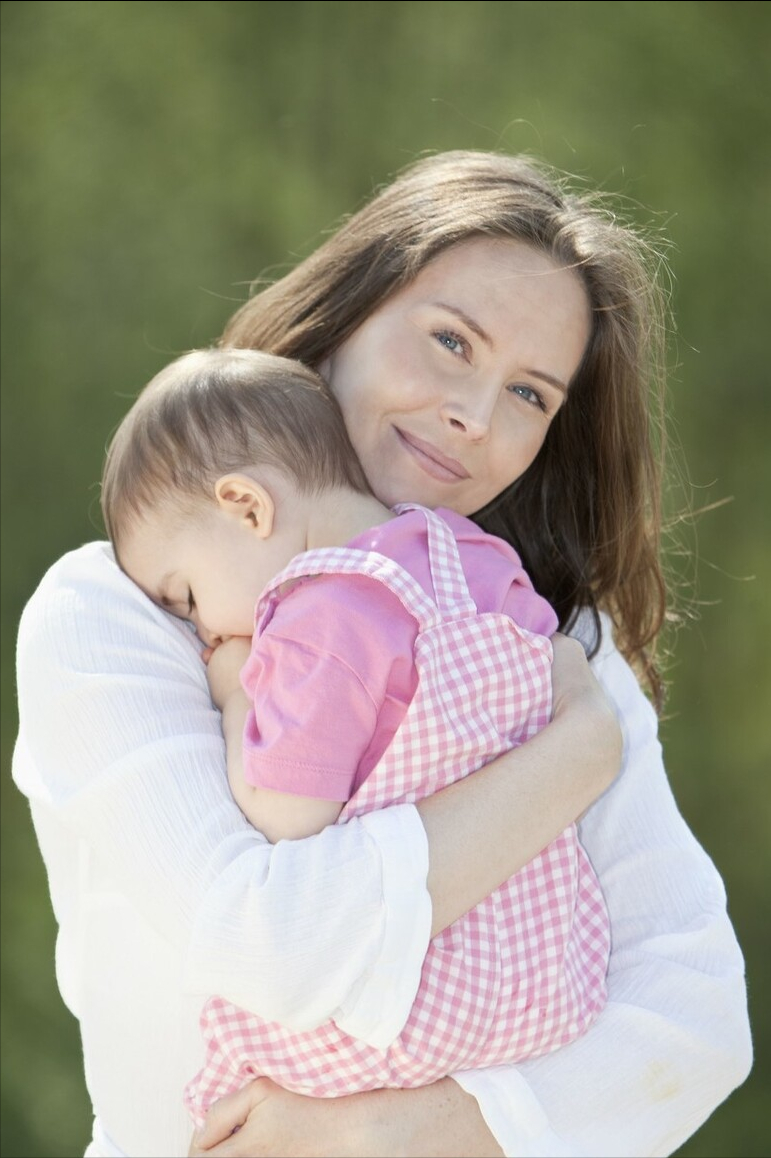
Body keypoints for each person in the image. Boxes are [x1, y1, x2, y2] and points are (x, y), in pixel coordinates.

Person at [12, 150, 751, 1158]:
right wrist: (574, 758)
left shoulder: (544, 638)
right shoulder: (121, 617)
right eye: (452, 340)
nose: (476, 416)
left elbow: (701, 1016)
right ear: (346, 311)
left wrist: (386, 1133)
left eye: (531, 394)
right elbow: (268, 944)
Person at [101, 346, 611, 1122]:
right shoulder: (468, 554)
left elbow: (288, 813)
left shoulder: (315, 619)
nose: (199, 625)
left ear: (247, 507)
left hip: (419, 1001)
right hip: (551, 968)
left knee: (221, 1055)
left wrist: (239, 693)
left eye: (186, 593)